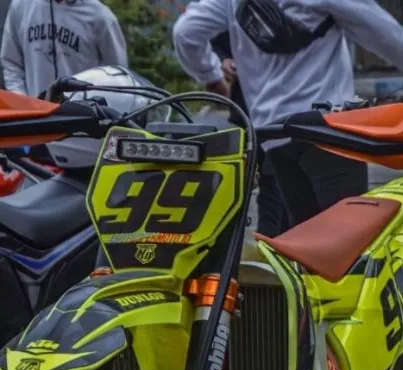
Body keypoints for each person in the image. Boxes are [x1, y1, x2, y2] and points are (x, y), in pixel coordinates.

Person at [173, 0, 403, 231]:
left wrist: (211, 76)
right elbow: (387, 35)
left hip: (275, 133)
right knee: (353, 236)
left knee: (306, 237)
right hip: (329, 129)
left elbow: (186, 33)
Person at [211, 30, 289, 235]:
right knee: (234, 183)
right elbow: (211, 40)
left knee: (275, 182)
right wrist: (221, 60)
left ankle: (270, 244)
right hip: (244, 109)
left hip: (280, 108)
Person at [1, 0, 128, 98]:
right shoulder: (20, 7)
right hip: (34, 117)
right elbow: (11, 62)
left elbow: (117, 75)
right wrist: (21, 98)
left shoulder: (100, 16)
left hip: (81, 119)